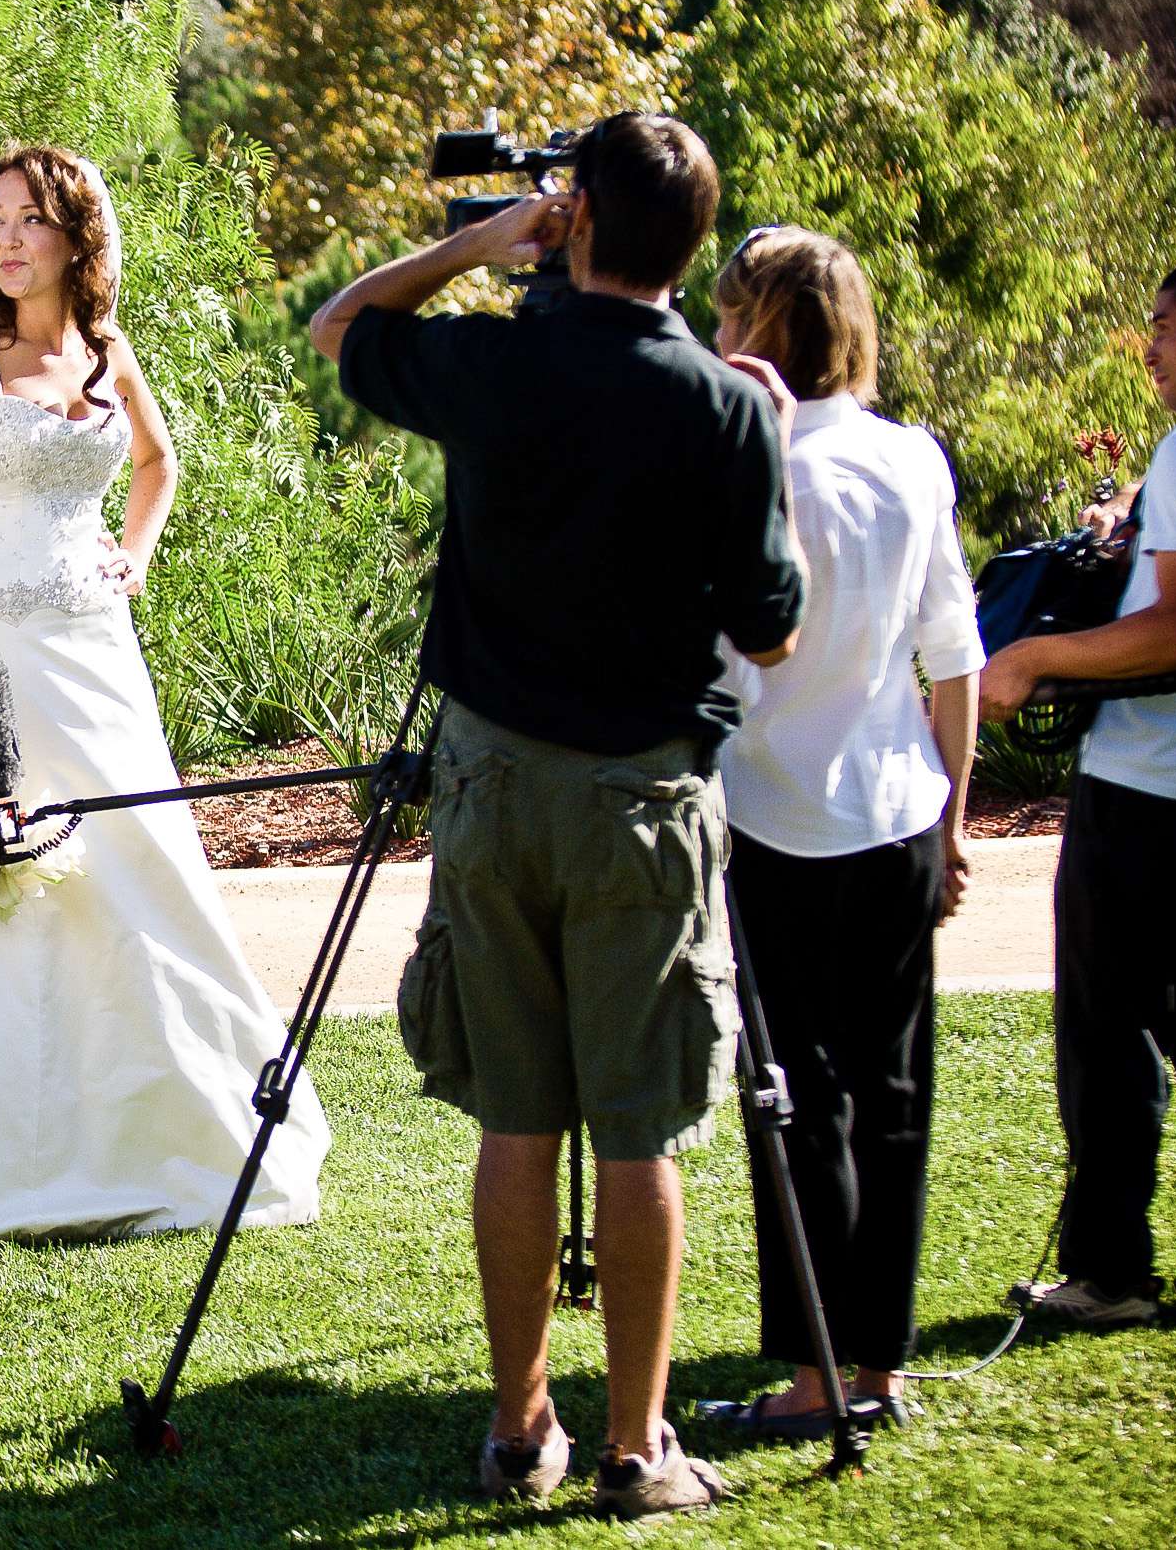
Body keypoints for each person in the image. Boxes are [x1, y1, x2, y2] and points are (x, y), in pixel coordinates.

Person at [312, 112, 806, 1518]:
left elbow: (344, 325)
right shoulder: (723, 403)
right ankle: (640, 1447)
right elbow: (770, 633)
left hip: (485, 778)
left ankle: (523, 1422)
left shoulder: (500, 358)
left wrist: (483, 236)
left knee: (518, 1117)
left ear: (576, 217)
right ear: (695, 246)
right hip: (641, 794)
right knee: (640, 1124)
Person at [0, 143, 331, 1254]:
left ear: (79, 236)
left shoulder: (105, 354)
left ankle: (157, 1124)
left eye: (32, 219)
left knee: (139, 880)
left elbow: (156, 463)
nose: (8, 240)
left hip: (95, 653)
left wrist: (134, 553)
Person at [693, 226, 983, 1436]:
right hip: (902, 807)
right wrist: (956, 819)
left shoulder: (752, 469)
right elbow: (954, 655)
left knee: (797, 1096)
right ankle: (880, 1362)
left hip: (776, 818)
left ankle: (815, 1375)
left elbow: (728, 664)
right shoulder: (915, 459)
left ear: (754, 330)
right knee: (896, 1087)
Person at [981, 244, 1176, 1326]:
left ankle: (1107, 1272)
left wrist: (1036, 659)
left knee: (1111, 1033)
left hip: (1149, 778)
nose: (1148, 350)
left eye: (1163, 328)